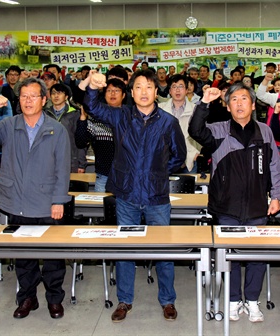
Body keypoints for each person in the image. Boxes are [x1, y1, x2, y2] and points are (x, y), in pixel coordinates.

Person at [82, 69, 186, 323]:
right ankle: (124, 300)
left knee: (164, 252)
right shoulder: (120, 116)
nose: (143, 92)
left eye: (148, 87)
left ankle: (168, 300)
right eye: (138, 87)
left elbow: (179, 156)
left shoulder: (168, 122)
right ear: (131, 92)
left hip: (157, 197)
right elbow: (92, 107)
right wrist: (93, 87)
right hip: (126, 194)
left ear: (156, 92)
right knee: (125, 250)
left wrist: (158, 173)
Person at [0, 77, 72, 320]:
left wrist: (59, 200)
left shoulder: (57, 128)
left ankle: (54, 299)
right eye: (24, 96)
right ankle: (27, 298)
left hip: (47, 202)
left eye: (34, 96)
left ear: (44, 100)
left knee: (53, 257)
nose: (28, 101)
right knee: (24, 256)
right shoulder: (9, 125)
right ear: (19, 100)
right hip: (16, 200)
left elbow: (63, 168)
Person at [189, 83, 280, 323]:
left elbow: (274, 165)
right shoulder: (219, 130)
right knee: (228, 256)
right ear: (227, 106)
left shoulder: (264, 131)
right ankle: (232, 301)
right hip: (226, 207)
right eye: (234, 100)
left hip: (256, 206)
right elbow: (195, 130)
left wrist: (276, 195)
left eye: (244, 99)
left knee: (256, 257)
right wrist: (204, 103)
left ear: (253, 105)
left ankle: (252, 301)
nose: (239, 103)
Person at [75, 78, 122, 192]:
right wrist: (83, 118)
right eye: (109, 91)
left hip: (124, 176)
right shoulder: (96, 120)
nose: (112, 94)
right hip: (103, 175)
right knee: (101, 208)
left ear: (124, 95)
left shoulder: (129, 119)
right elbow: (80, 142)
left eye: (116, 91)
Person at [158, 74, 202, 173]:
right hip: (165, 160)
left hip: (189, 159)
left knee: (188, 188)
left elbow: (202, 133)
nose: (177, 90)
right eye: (174, 87)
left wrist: (197, 152)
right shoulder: (160, 109)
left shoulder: (196, 109)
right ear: (170, 91)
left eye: (181, 86)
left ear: (187, 90)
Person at [44, 83, 87, 173]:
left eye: (59, 93)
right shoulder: (44, 114)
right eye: (53, 93)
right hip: (48, 161)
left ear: (66, 96)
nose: (56, 96)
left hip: (70, 161)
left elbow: (80, 140)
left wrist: (81, 163)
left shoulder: (75, 114)